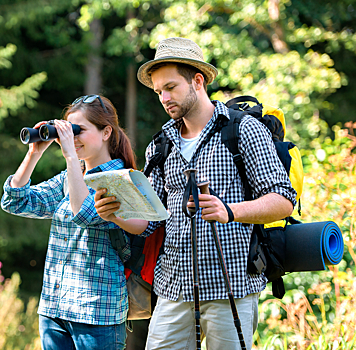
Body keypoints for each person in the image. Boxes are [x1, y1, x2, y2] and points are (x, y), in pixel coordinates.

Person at [94, 37, 297, 349]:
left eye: (171, 87)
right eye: (159, 91)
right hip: (172, 288)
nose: (164, 97)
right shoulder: (161, 144)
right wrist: (117, 215)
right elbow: (152, 221)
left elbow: (283, 200)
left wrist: (230, 211)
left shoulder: (242, 130)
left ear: (198, 80)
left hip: (232, 286)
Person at [0, 94, 148, 350]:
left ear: (106, 133)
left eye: (79, 130)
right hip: (54, 309)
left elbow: (85, 214)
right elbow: (16, 201)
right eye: (69, 131)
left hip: (96, 314)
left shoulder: (121, 181)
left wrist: (70, 157)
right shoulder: (69, 177)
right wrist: (34, 154)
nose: (73, 138)